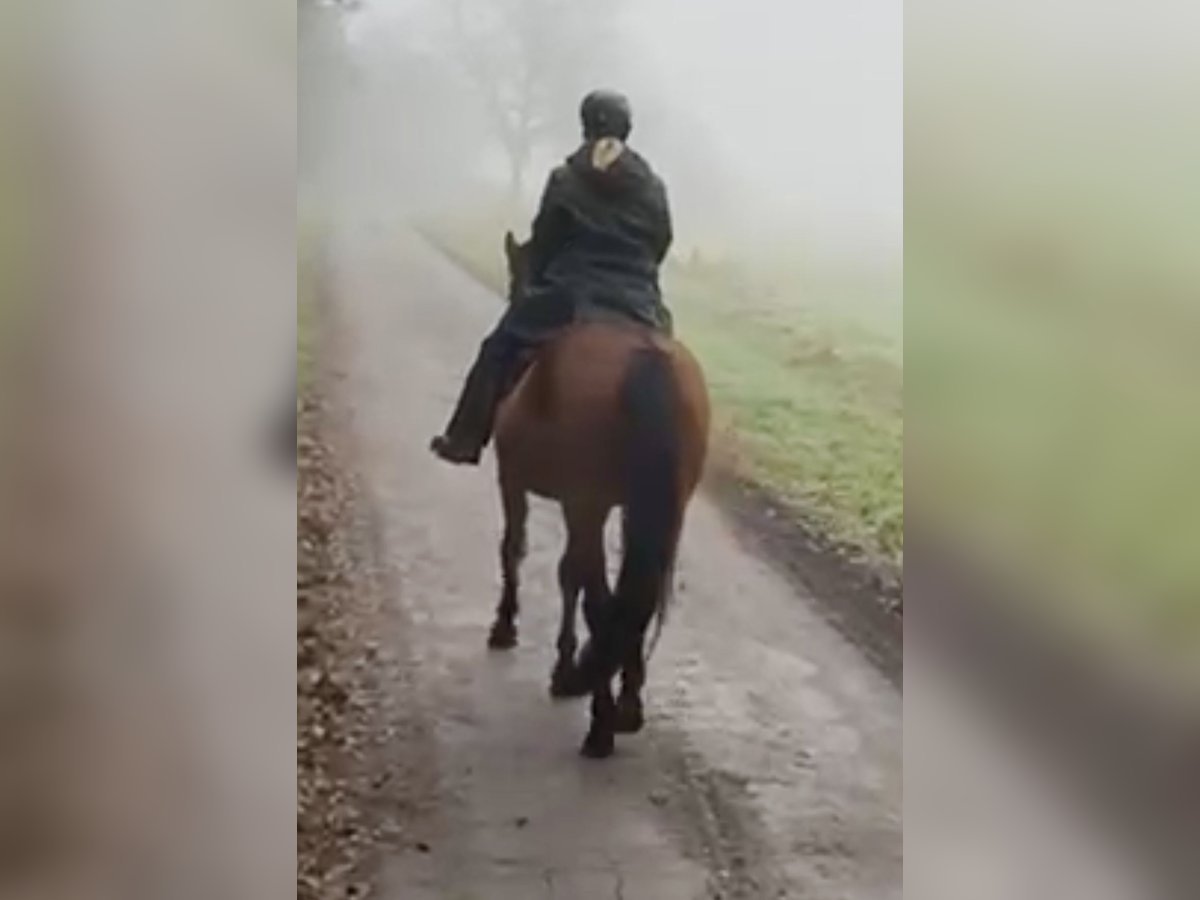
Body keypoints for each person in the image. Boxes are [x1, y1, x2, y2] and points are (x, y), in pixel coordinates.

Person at [430, 89, 674, 465]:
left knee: (498, 349)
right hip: (638, 300)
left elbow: (545, 240)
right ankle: (670, 462)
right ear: (628, 128)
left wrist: (537, 276)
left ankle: (464, 439)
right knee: (668, 367)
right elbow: (661, 242)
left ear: (585, 125)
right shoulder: (653, 186)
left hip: (570, 296)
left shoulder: (565, 179)